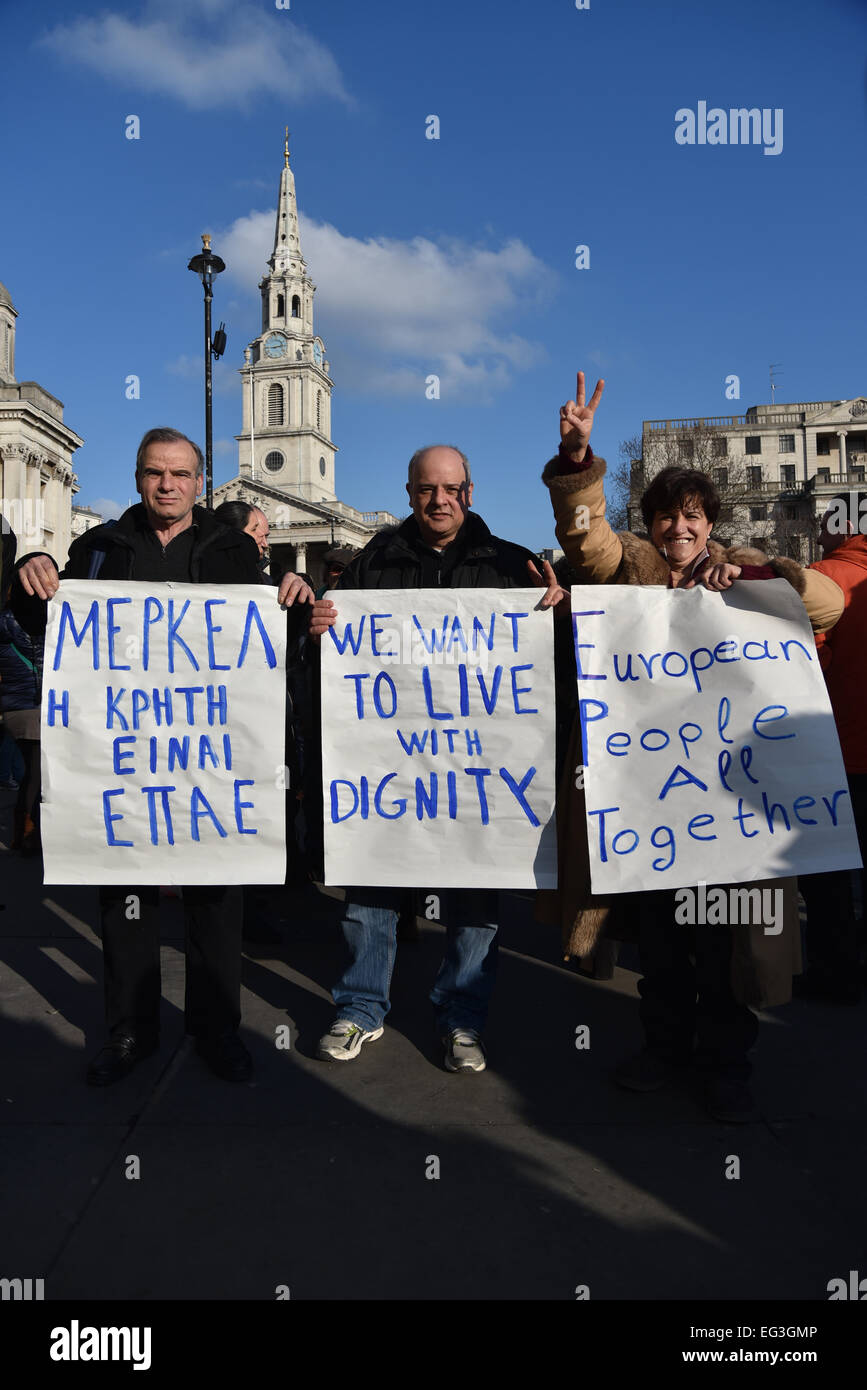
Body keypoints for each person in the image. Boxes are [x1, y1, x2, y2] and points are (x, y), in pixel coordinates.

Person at [541, 373, 844, 1122]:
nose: (679, 529)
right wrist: (577, 459)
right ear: (649, 524)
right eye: (665, 517)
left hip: (733, 810)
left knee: (727, 950)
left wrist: (762, 573)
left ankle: (726, 1064)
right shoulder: (630, 570)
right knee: (666, 952)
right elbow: (587, 539)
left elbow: (827, 605)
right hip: (653, 808)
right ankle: (663, 1049)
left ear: (708, 523)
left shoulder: (743, 572)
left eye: (691, 517)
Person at [12, 427, 313, 1085]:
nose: (167, 485)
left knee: (215, 902)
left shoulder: (232, 550)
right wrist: (27, 570)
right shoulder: (98, 548)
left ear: (199, 483)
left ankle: (217, 1032)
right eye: (154, 473)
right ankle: (128, 1033)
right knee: (126, 904)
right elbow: (48, 624)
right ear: (139, 477)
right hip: (125, 763)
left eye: (179, 474)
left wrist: (295, 602)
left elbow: (265, 640)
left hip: (208, 762)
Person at [309, 444, 564, 1073]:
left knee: (477, 901)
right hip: (390, 771)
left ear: (469, 492)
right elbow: (337, 664)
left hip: (478, 776)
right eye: (427, 489)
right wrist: (318, 630)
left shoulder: (513, 566)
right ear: (410, 493)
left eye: (451, 488)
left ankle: (462, 1018)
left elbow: (547, 664)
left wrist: (558, 616)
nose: (439, 499)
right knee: (371, 890)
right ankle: (360, 1007)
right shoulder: (372, 564)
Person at [795, 493, 867, 1002]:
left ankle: (836, 974)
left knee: (827, 875)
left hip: (840, 753)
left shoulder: (824, 576)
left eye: (825, 523)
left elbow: (803, 664)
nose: (819, 531)